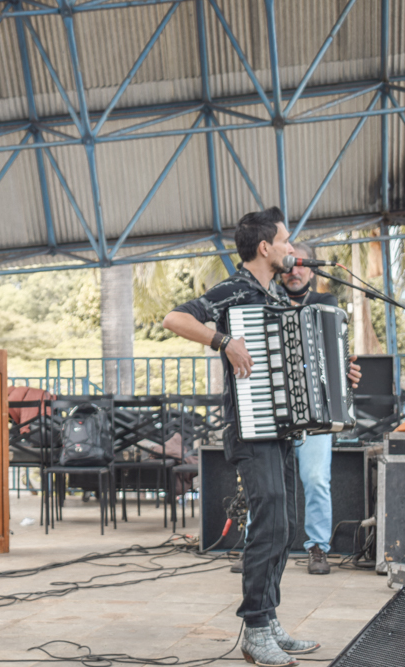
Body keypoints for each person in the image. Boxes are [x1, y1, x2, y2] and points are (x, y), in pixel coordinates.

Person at [163, 208, 360, 667]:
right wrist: (223, 341)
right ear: (265, 247)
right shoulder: (235, 289)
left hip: (281, 430)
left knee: (283, 526)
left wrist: (339, 377)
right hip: (250, 431)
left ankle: (268, 620)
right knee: (268, 526)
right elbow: (175, 319)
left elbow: (298, 366)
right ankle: (254, 629)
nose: (291, 248)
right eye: (286, 240)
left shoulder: (273, 296)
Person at [231, 242, 338, 578]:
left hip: (315, 412)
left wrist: (346, 372)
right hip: (273, 407)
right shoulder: (265, 302)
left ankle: (318, 547)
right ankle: (255, 546)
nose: (295, 271)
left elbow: (335, 355)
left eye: (301, 265)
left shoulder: (326, 303)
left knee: (316, 479)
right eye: (289, 265)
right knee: (267, 483)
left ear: (312, 270)